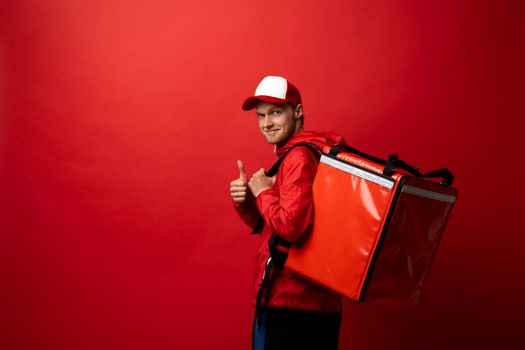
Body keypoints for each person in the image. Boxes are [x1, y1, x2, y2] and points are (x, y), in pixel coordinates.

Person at [230, 76, 346, 350]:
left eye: (276, 113)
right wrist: (246, 201)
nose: (266, 123)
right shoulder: (309, 152)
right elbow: (271, 227)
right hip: (312, 302)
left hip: (292, 302)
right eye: (261, 115)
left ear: (298, 112)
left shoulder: (298, 157)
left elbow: (291, 226)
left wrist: (263, 192)